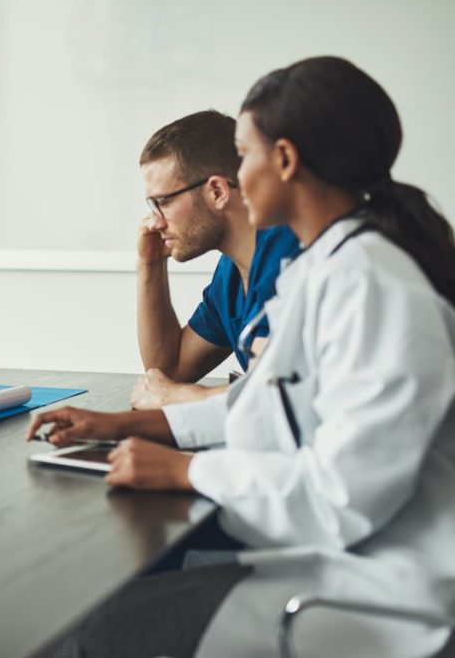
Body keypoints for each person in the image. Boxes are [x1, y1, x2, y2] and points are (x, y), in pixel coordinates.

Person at [29, 57, 455, 656]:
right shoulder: (329, 268)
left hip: (377, 588)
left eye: (243, 153)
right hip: (327, 556)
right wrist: (121, 423)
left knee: (96, 631)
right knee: (113, 603)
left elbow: (343, 498)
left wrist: (186, 470)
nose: (235, 173)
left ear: (283, 160)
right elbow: (266, 409)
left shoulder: (372, 284)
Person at [132, 110, 300, 410]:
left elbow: (286, 396)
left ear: (217, 191)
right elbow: (168, 370)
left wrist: (178, 396)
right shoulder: (231, 274)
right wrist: (150, 265)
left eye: (164, 202)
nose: (154, 222)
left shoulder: (294, 258)